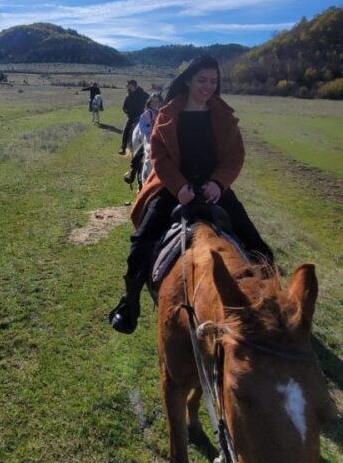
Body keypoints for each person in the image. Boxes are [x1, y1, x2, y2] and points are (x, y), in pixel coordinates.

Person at [110, 56, 272, 335]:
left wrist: (219, 184)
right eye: (202, 80)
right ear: (188, 80)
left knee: (260, 250)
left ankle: (270, 308)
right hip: (174, 189)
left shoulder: (223, 116)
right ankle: (130, 303)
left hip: (214, 191)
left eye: (213, 81)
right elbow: (159, 155)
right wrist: (179, 186)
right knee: (140, 245)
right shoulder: (168, 113)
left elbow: (235, 156)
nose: (208, 86)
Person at [123, 92, 161, 185]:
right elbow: (142, 129)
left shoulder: (163, 113)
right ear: (150, 103)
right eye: (153, 101)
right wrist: (151, 128)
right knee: (141, 153)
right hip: (149, 140)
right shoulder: (146, 114)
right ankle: (133, 170)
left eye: (157, 101)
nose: (155, 103)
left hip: (161, 139)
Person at [119, 80, 149, 154]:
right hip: (131, 117)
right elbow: (124, 107)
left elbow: (150, 103)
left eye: (129, 86)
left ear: (133, 85)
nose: (128, 87)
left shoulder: (143, 94)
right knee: (126, 131)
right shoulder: (128, 95)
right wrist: (128, 112)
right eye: (127, 86)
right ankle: (123, 148)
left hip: (141, 117)